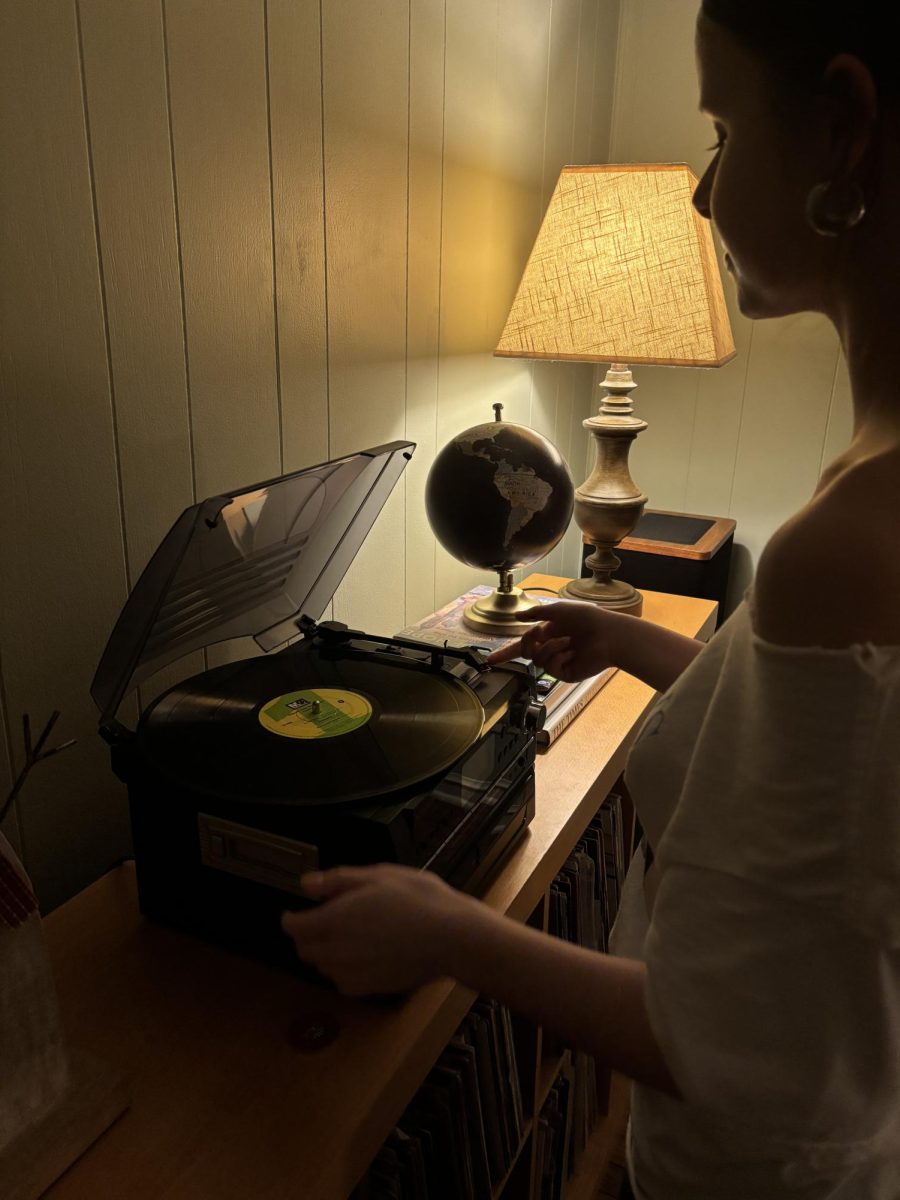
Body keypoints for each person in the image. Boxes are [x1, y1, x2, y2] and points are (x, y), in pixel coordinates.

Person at [282, 2, 900, 1194]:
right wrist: (629, 640)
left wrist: (452, 932)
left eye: (722, 128)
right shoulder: (863, 489)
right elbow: (838, 795)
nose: (703, 193)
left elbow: (724, 1052)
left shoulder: (849, 542)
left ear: (844, 126)